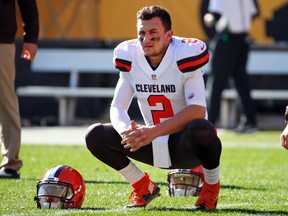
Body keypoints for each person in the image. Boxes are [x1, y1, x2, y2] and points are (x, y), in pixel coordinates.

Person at [86, 6, 222, 211]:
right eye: (142, 33)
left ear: (169, 35)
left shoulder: (185, 54)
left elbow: (197, 110)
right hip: (149, 140)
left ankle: (211, 190)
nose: (146, 39)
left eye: (153, 34)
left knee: (202, 129)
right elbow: (117, 106)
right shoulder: (130, 55)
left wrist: (152, 131)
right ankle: (143, 186)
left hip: (184, 144)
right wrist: (127, 132)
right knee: (95, 134)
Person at [204, 0, 259, 133]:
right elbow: (252, 14)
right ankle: (249, 122)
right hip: (237, 39)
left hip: (230, 40)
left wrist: (210, 17)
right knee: (237, 82)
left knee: (221, 82)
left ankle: (210, 123)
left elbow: (213, 15)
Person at [0, 0, 39, 179]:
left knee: (5, 99)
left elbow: (27, 2)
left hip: (2, 39)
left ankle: (10, 163)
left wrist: (31, 37)